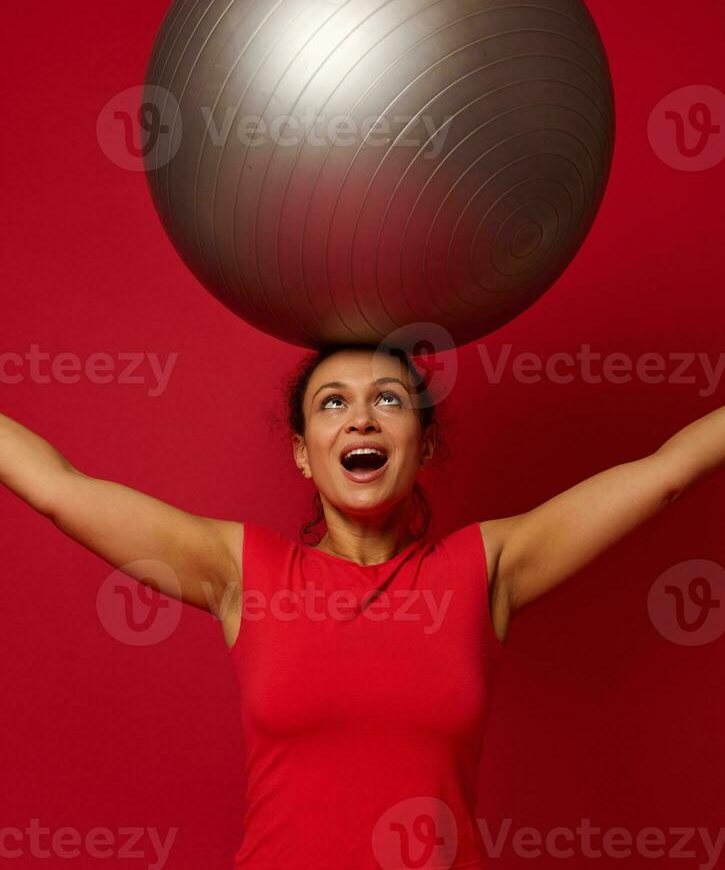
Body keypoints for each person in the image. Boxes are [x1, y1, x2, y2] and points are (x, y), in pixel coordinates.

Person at [2, 342, 724, 869]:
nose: (361, 421)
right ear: (301, 451)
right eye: (333, 403)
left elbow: (663, 476)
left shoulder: (487, 567)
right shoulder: (240, 571)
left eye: (388, 399)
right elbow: (60, 489)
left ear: (425, 443)